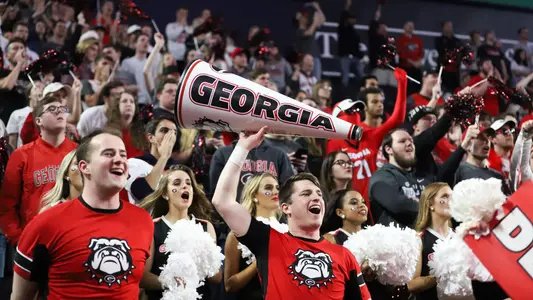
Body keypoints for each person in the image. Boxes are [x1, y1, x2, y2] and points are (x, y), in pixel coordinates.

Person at [212, 127, 371, 299]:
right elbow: (223, 201)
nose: (316, 198)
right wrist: (242, 147)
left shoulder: (345, 256)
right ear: (286, 207)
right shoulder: (270, 241)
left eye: (319, 194)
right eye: (306, 194)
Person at [11, 130, 154, 299]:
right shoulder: (46, 223)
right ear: (84, 167)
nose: (119, 160)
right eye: (108, 154)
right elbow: (21, 296)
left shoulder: (143, 221)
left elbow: (139, 286)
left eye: (123, 155)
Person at [0, 95, 78, 247]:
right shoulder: (21, 155)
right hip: (34, 241)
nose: (59, 112)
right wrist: (18, 238)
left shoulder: (79, 152)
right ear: (38, 121)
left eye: (62, 109)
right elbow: (7, 203)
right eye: (52, 109)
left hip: (73, 238)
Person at [139, 165, 221, 300]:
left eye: (188, 183)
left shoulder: (205, 227)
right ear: (165, 194)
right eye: (177, 183)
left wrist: (205, 256)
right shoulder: (153, 226)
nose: (185, 186)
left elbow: (216, 278)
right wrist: (171, 281)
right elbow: (143, 277)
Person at [224, 173, 281, 300]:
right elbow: (229, 286)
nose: (275, 191)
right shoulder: (237, 234)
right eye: (268, 188)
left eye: (277, 188)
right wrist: (261, 260)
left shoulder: (288, 231)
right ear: (254, 196)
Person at [125, 115, 179, 204]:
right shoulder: (135, 163)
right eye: (164, 131)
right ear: (151, 137)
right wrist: (164, 157)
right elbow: (142, 194)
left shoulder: (178, 169)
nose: (170, 136)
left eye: (174, 133)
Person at [411, 183, 451, 299]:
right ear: (430, 204)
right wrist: (441, 275)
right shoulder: (418, 239)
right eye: (444, 196)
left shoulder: (461, 237)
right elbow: (411, 285)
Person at [105, 89, 147, 158]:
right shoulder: (108, 133)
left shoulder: (142, 133)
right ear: (117, 106)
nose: (128, 104)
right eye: (124, 101)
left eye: (132, 102)